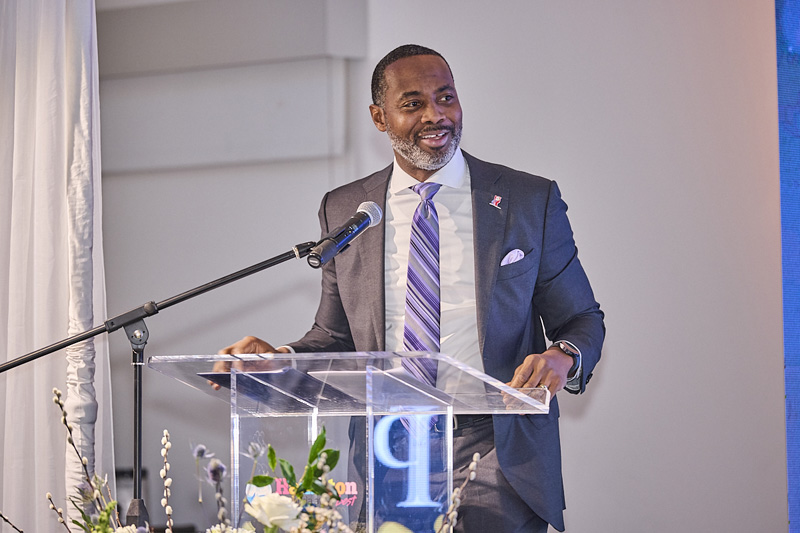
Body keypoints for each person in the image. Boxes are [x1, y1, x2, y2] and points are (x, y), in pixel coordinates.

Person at [219, 44, 604, 533]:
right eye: (413, 103)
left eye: (446, 97)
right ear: (379, 118)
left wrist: (562, 355)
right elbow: (336, 337)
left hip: (494, 447)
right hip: (389, 448)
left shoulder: (527, 199)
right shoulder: (347, 210)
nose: (436, 115)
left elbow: (582, 319)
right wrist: (280, 358)